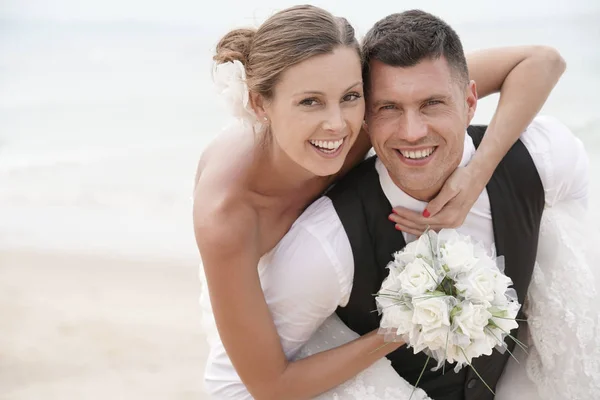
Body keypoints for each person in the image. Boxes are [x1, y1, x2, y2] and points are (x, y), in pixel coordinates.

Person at [193, 5, 567, 399]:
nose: (338, 124)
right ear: (259, 105)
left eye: (352, 96)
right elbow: (269, 384)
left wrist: (476, 175)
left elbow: (541, 62)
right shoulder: (227, 220)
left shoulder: (366, 121)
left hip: (328, 293)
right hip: (257, 313)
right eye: (310, 102)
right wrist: (405, 323)